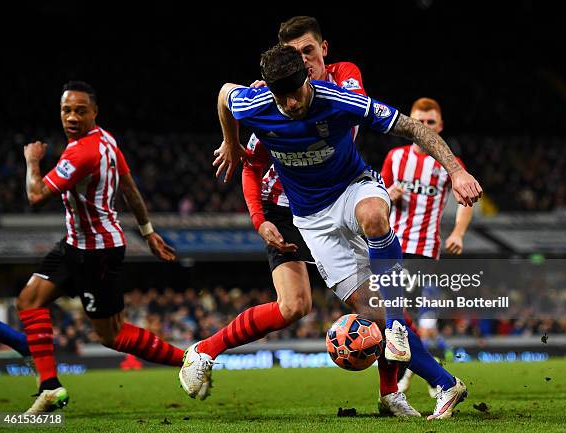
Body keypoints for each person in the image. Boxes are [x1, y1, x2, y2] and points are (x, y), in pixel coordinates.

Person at [182, 45, 482, 420]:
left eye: (297, 91)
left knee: (374, 216)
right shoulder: (255, 103)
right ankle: (445, 383)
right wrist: (230, 141)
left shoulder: (340, 100)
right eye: (282, 96)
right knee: (368, 312)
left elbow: (412, 126)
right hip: (312, 221)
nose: (291, 103)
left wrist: (456, 171)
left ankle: (396, 328)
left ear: (309, 76)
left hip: (353, 189)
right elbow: (225, 94)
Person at [229, 16, 412, 415]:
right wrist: (257, 213)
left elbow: (347, 106)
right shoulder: (270, 101)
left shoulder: (344, 78)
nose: (302, 62)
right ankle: (202, 353)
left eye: (308, 52)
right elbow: (248, 156)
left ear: (324, 48)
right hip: (286, 208)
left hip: (339, 194)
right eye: (292, 58)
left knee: (380, 305)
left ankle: (391, 392)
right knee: (294, 307)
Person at [18, 81, 181, 414]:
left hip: (96, 253)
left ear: (94, 112)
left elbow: (35, 196)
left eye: (80, 110)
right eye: (66, 110)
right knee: (29, 299)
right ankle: (49, 386)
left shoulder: (81, 152)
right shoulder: (106, 140)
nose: (72, 117)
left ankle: (190, 359)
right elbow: (131, 189)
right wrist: (148, 231)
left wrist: (32, 162)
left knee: (112, 336)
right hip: (75, 244)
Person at [381, 97, 473, 396]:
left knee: (403, 319)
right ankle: (427, 374)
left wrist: (458, 232)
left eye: (430, 122)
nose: (424, 127)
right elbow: (376, 197)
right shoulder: (395, 157)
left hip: (424, 249)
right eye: (418, 121)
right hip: (391, 246)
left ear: (440, 126)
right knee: (398, 319)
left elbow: (466, 200)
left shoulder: (449, 163)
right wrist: (388, 195)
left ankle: (420, 375)